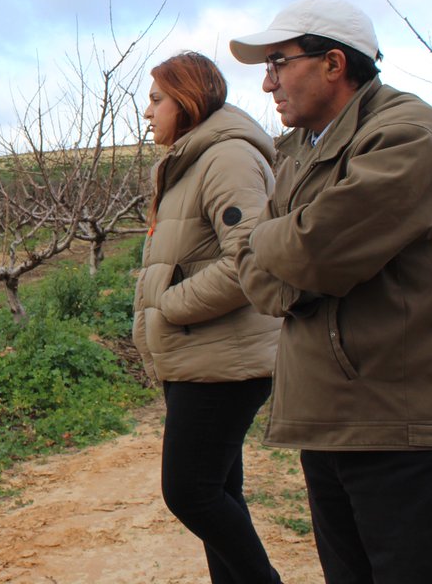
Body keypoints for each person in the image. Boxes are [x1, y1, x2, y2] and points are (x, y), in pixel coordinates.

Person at [231, 0, 432, 584]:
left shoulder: (407, 133)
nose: (267, 83)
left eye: (278, 63)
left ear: (333, 63)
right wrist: (286, 254)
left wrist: (280, 248)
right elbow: (256, 273)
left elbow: (314, 251)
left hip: (403, 425)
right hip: (330, 419)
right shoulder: (297, 151)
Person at [132, 52, 284, 584]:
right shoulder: (191, 160)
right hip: (201, 354)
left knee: (191, 493)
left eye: (156, 100)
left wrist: (169, 306)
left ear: (188, 101)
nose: (147, 112)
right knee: (219, 492)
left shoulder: (228, 159)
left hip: (223, 360)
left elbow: (252, 260)